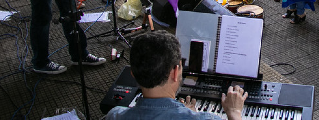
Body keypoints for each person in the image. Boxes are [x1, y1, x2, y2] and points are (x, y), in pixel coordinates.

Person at [106, 31, 247, 120]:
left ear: (133, 75)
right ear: (174, 72)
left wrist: (183, 113)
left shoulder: (114, 115)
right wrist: (234, 113)